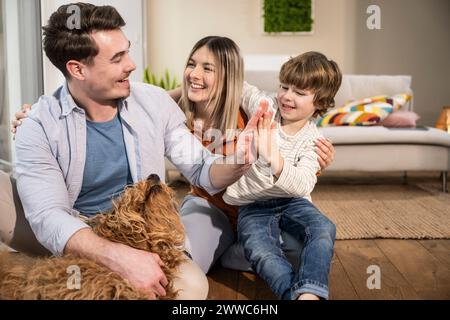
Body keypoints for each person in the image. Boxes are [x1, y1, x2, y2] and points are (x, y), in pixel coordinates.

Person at [11, 36, 336, 274]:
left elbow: (292, 130)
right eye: (191, 64)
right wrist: (37, 115)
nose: (195, 74)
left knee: (305, 252)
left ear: (228, 78)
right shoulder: (171, 108)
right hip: (211, 203)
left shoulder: (247, 108)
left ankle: (237, 249)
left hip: (258, 206)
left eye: (208, 68)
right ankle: (225, 249)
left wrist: (313, 156)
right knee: (182, 262)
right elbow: (127, 104)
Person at [8, 3, 269, 299]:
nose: (131, 64)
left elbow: (201, 169)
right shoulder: (38, 124)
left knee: (192, 288)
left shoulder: (154, 102)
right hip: (76, 229)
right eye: (118, 58)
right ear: (77, 69)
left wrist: (237, 163)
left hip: (140, 233)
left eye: (127, 51)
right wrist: (116, 257)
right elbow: (49, 215)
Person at [223, 52, 342, 300]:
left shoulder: (314, 140)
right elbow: (242, 88)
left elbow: (302, 184)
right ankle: (296, 295)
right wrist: (224, 64)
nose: (287, 96)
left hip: (293, 203)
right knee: (262, 250)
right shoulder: (266, 109)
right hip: (253, 205)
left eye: (299, 93)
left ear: (320, 102)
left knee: (323, 228)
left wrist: (272, 155)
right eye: (284, 87)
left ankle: (310, 291)